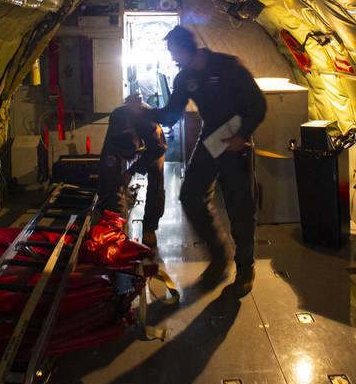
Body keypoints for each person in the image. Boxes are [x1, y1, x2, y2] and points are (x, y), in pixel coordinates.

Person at [141, 25, 266, 296]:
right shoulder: (184, 77)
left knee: (240, 209)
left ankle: (245, 269)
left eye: (174, 52)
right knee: (190, 196)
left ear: (188, 48)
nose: (173, 57)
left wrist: (243, 135)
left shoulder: (228, 66)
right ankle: (219, 256)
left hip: (235, 138)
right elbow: (172, 115)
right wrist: (143, 111)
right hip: (212, 138)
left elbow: (258, 104)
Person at [96, 100, 168, 249]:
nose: (130, 160)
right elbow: (109, 179)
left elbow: (160, 148)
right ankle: (118, 227)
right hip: (125, 142)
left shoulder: (149, 126)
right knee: (111, 178)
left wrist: (132, 170)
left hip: (155, 145)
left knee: (156, 180)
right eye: (126, 158)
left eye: (132, 156)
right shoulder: (114, 129)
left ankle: (150, 228)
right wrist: (118, 224)